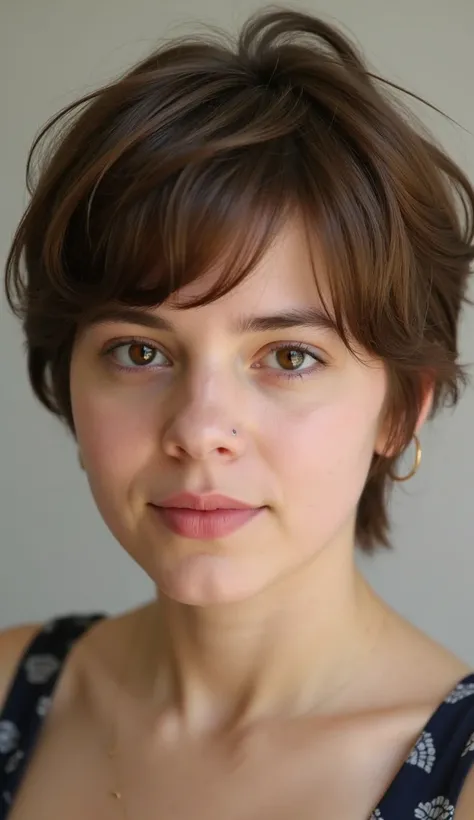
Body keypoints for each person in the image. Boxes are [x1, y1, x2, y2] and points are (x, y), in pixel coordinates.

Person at [1, 6, 474, 819]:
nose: (198, 431)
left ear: (402, 407)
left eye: (289, 357)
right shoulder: (10, 690)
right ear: (67, 380)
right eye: (139, 351)